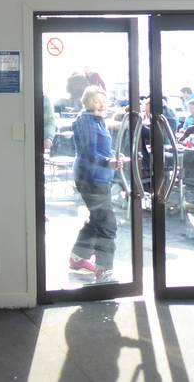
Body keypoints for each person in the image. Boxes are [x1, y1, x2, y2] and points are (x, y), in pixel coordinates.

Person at [69, 85, 123, 283]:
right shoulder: (85, 121)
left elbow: (101, 150)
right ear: (87, 103)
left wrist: (114, 158)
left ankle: (78, 256)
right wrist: (108, 162)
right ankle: (104, 270)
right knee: (106, 223)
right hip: (90, 178)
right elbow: (88, 152)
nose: (101, 105)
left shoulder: (97, 121)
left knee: (97, 219)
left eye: (103, 102)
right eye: (96, 102)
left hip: (99, 177)